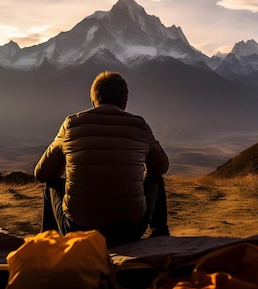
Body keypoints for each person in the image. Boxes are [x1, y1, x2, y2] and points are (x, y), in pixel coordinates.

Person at [34, 70, 170, 246]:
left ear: (93, 100)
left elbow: (41, 173)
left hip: (78, 230)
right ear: (124, 102)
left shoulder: (71, 124)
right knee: (155, 178)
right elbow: (162, 167)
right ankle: (160, 237)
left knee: (52, 183)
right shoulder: (140, 126)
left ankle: (49, 245)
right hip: (131, 230)